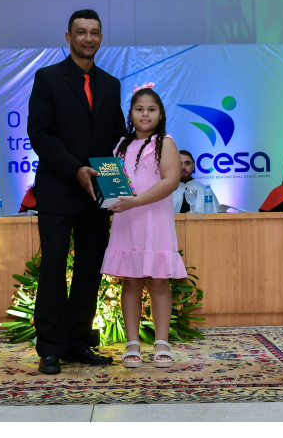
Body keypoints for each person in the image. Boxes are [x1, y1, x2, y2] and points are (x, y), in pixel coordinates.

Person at [27, 9, 127, 375]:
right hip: (58, 188)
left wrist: (121, 175)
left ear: (101, 38)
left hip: (97, 193)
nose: (88, 38)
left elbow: (117, 137)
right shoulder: (48, 78)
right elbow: (40, 134)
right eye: (81, 32)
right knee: (54, 266)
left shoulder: (111, 84)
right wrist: (75, 168)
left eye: (94, 32)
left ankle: (79, 342)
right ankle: (51, 348)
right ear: (68, 37)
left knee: (90, 266)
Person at [101, 84, 186, 369]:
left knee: (158, 281)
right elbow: (114, 184)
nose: (145, 114)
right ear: (131, 113)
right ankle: (132, 343)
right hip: (127, 222)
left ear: (161, 114)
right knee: (131, 281)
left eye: (151, 109)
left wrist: (136, 201)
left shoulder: (165, 142)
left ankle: (162, 342)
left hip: (155, 221)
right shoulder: (120, 145)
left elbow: (170, 181)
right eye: (139, 109)